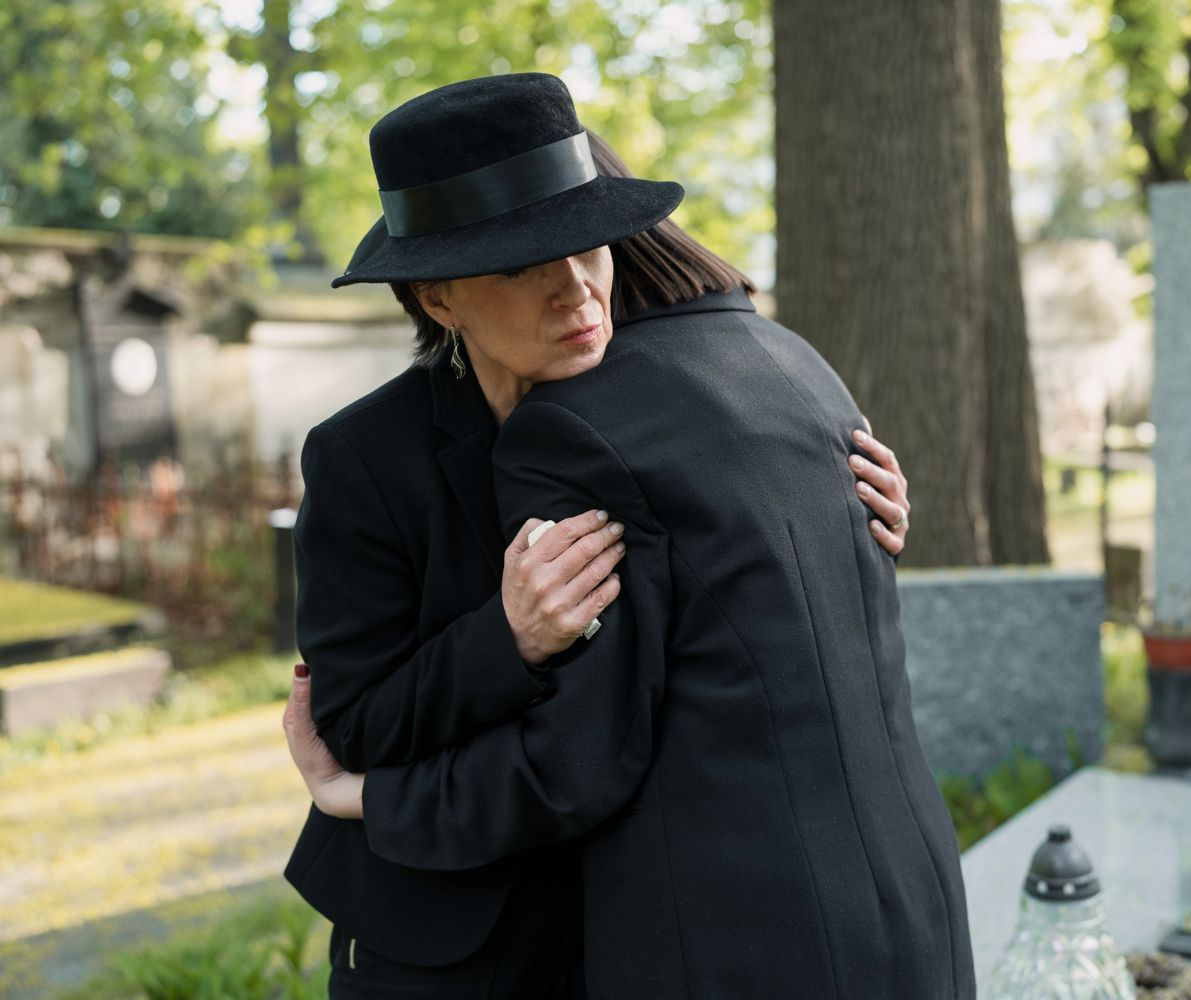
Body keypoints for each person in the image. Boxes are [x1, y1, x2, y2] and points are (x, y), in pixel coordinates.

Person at [281, 73, 920, 998]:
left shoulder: (659, 412)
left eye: (586, 246)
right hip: (452, 944)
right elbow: (353, 725)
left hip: (636, 920)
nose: (574, 288)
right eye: (518, 265)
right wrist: (506, 640)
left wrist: (846, 519)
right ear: (439, 299)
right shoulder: (365, 460)